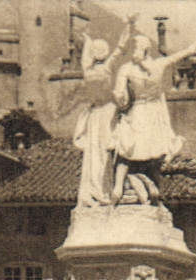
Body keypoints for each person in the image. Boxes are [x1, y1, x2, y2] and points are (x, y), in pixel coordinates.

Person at [111, 23, 196, 203]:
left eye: (135, 47)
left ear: (142, 50)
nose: (133, 51)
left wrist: (119, 101)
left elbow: (119, 95)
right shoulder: (156, 64)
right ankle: (139, 188)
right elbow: (175, 57)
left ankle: (121, 187)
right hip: (153, 113)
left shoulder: (126, 68)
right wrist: (190, 50)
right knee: (149, 153)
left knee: (127, 149)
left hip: (138, 112)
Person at [71, 21, 129, 207]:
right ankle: (104, 190)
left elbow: (84, 56)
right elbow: (121, 47)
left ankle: (96, 190)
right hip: (107, 112)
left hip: (94, 114)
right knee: (107, 151)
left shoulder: (87, 71)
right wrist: (129, 24)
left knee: (94, 154)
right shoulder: (106, 68)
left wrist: (87, 40)